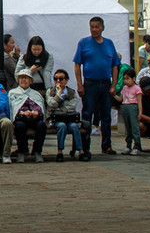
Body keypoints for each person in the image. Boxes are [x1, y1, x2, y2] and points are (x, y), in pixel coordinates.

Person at [74, 16, 121, 160]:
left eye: (97, 27)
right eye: (92, 27)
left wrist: (113, 85)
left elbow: (115, 65)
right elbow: (77, 64)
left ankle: (106, 145)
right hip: (90, 84)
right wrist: (79, 84)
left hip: (105, 84)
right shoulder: (84, 43)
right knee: (87, 115)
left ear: (102, 28)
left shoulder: (109, 43)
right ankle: (84, 147)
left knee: (106, 116)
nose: (94, 29)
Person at [9, 69, 47, 162]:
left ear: (30, 81)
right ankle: (22, 151)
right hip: (20, 119)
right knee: (20, 126)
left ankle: (37, 151)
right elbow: (12, 107)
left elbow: (40, 107)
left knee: (41, 125)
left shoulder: (36, 94)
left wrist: (36, 112)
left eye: (26, 78)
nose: (23, 80)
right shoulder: (13, 93)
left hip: (34, 119)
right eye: (21, 78)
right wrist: (22, 112)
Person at [47, 69, 82, 161]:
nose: (58, 81)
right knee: (62, 126)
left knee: (74, 126)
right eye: (56, 79)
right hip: (56, 119)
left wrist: (58, 107)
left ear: (66, 80)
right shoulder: (50, 91)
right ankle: (60, 151)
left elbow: (72, 105)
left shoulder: (72, 92)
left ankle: (80, 150)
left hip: (70, 118)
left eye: (61, 78)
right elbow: (51, 104)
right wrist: (59, 93)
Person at [114, 67, 143, 155]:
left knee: (135, 128)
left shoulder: (137, 88)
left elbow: (139, 102)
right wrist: (113, 95)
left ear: (133, 78)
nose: (126, 81)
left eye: (128, 79)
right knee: (128, 128)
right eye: (124, 79)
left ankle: (137, 146)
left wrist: (140, 113)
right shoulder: (124, 88)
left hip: (133, 107)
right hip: (125, 107)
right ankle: (128, 145)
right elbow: (120, 99)